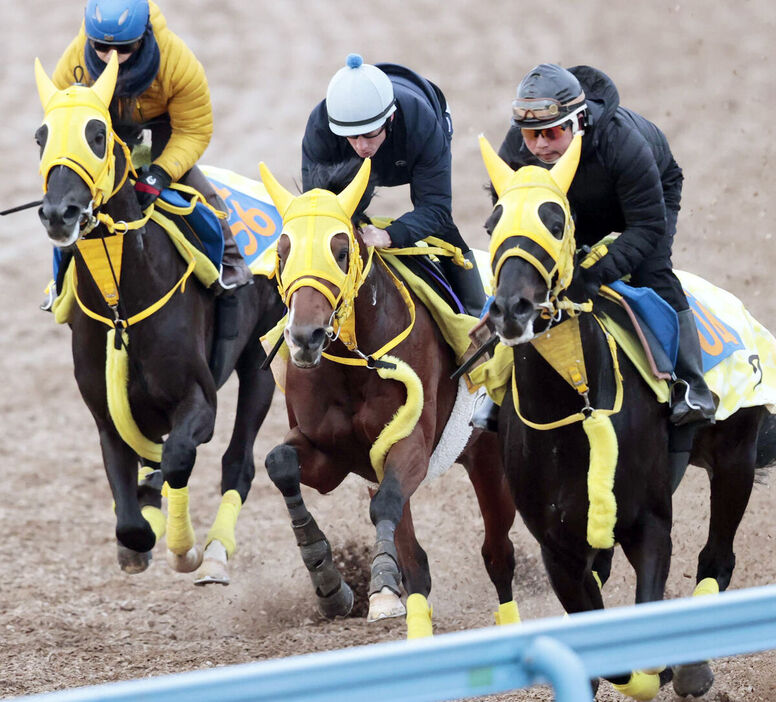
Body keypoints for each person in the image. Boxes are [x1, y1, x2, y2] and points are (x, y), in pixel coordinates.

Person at [475, 63, 716, 428]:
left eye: (553, 132)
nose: (540, 145)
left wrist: (592, 272)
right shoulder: (515, 150)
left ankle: (691, 385)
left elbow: (647, 226)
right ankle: (496, 389)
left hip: (636, 209)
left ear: (579, 121)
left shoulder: (623, 144)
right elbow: (514, 219)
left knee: (652, 272)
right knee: (522, 284)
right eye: (530, 134)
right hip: (566, 211)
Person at [42, 0, 251, 309]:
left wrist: (161, 173)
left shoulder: (178, 61)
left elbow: (194, 129)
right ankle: (59, 279)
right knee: (66, 200)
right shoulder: (74, 60)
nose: (112, 57)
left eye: (124, 49)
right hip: (105, 132)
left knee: (197, 188)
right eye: (100, 47)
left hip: (159, 130)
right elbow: (61, 125)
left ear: (143, 37)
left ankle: (232, 260)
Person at [301, 53, 487, 317]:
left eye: (369, 133)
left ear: (389, 119)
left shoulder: (422, 123)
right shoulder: (321, 127)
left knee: (445, 231)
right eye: (352, 137)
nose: (362, 146)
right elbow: (318, 211)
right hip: (359, 154)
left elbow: (435, 209)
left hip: (418, 131)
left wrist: (390, 235)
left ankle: (476, 314)